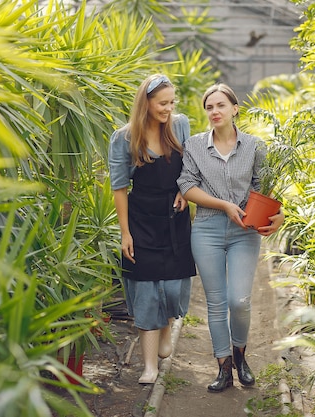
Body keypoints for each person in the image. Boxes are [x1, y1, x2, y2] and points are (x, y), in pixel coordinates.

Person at [177, 83, 284, 392]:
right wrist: (223, 204)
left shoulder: (254, 146)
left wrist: (279, 215)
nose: (215, 112)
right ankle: (223, 366)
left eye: (221, 105)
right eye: (209, 107)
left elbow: (266, 188)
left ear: (235, 109)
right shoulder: (195, 146)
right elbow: (187, 184)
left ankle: (240, 355)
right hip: (207, 228)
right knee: (216, 301)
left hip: (244, 230)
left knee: (239, 300)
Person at [109, 74, 196, 384]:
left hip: (174, 218)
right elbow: (119, 187)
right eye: (162, 103)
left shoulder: (180, 125)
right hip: (141, 218)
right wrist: (125, 233)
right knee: (145, 291)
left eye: (172, 102)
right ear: (145, 102)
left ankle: (166, 325)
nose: (168, 109)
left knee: (173, 288)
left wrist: (183, 191)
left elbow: (191, 166)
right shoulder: (124, 138)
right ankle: (149, 367)